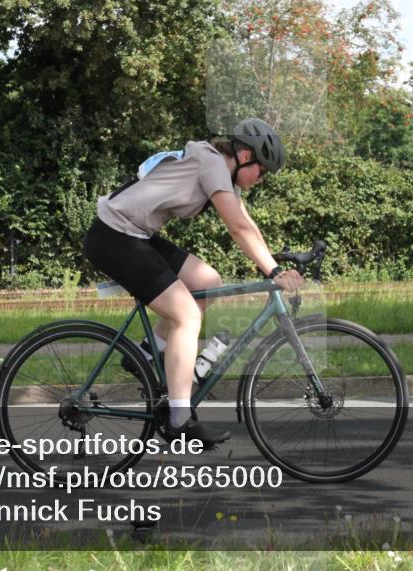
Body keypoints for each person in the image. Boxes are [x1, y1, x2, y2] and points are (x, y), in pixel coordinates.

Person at [83, 118, 304, 446]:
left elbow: (245, 222)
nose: (262, 178)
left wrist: (274, 262)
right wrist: (273, 272)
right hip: (115, 237)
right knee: (187, 316)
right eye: (262, 170)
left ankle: (146, 354)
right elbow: (237, 229)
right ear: (245, 157)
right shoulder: (213, 164)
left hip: (134, 234)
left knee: (207, 280)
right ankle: (179, 419)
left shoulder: (216, 165)